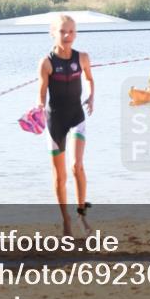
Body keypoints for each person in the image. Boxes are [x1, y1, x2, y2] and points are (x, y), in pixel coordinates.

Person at [37, 14, 95, 236]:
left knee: (77, 166)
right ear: (53, 33)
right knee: (60, 177)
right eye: (63, 31)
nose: (67, 35)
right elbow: (41, 95)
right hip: (55, 122)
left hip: (76, 118)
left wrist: (91, 97)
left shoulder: (82, 58)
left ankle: (82, 216)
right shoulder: (46, 63)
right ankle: (66, 220)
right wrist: (37, 109)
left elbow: (90, 80)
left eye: (71, 31)